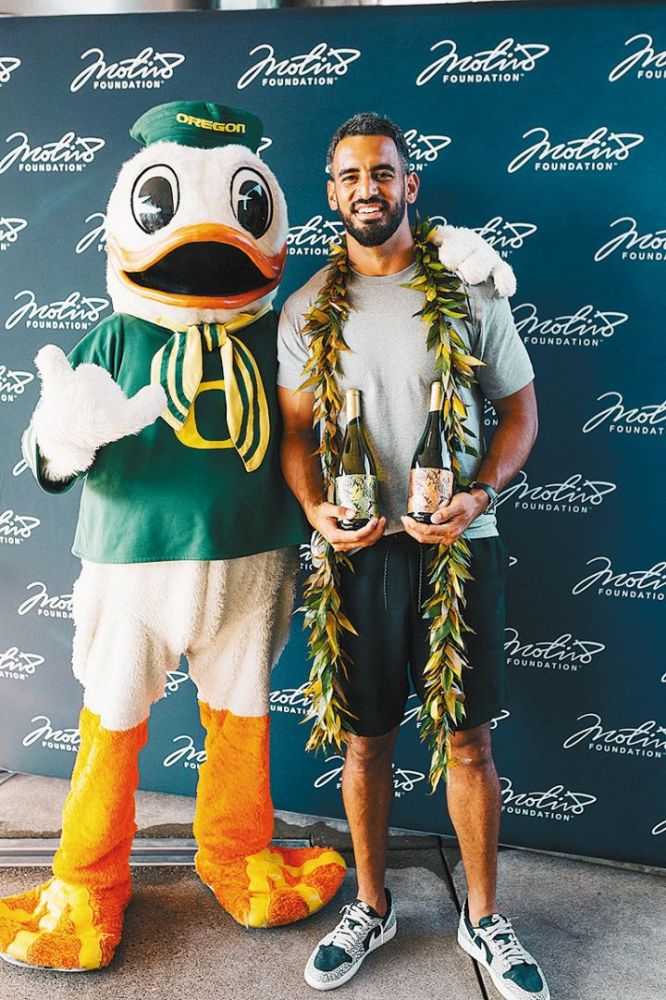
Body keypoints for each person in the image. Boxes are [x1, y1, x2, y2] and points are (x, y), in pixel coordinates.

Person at [276, 113, 549, 1000]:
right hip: (357, 554)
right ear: (331, 192)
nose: (368, 189)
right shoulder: (307, 309)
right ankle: (370, 904)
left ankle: (483, 916)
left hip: (459, 543)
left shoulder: (471, 290)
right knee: (364, 744)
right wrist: (317, 508)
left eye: (384, 174)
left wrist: (481, 495)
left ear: (410, 185)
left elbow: (520, 415)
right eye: (351, 175)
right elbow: (294, 435)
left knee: (468, 744)